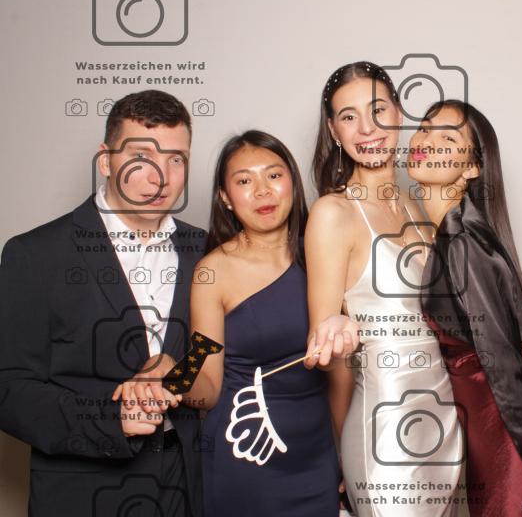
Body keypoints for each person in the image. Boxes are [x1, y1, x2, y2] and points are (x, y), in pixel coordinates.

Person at [0, 90, 206, 516]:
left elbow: (212, 356)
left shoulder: (204, 250)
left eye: (176, 159)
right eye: (141, 157)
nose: (161, 178)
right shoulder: (36, 254)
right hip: (81, 493)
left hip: (185, 487)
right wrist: (110, 419)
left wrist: (177, 371)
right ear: (106, 160)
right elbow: (9, 389)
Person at [407, 100, 522, 516]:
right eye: (425, 128)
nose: (427, 141)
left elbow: (506, 372)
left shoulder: (464, 243)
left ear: (472, 168)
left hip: (515, 457)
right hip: (489, 446)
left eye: (447, 138)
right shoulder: (454, 235)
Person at [302, 61, 463, 516]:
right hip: (383, 429)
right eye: (349, 116)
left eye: (377, 110)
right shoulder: (333, 214)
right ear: (334, 131)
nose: (367, 128)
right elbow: (330, 358)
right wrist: (343, 450)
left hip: (445, 421)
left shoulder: (419, 206)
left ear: (398, 113)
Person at [175, 130, 342, 516]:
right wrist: (173, 375)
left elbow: (341, 372)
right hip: (245, 453)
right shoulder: (212, 272)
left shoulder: (324, 254)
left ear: (292, 182)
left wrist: (347, 452)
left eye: (274, 175)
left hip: (317, 455)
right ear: (225, 197)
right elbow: (206, 387)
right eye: (244, 181)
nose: (263, 191)